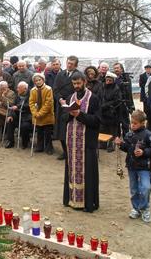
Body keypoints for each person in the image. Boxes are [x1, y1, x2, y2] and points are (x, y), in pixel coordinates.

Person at [62, 73, 101, 213]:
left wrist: (79, 115)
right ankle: (71, 199)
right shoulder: (70, 97)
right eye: (74, 84)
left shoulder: (93, 98)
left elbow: (97, 121)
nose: (76, 86)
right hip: (72, 142)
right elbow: (64, 118)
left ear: (84, 82)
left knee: (88, 172)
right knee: (71, 171)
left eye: (78, 83)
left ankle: (88, 203)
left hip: (87, 142)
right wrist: (68, 111)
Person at [115, 110, 151, 223]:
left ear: (143, 123)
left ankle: (145, 208)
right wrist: (120, 144)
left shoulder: (149, 135)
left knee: (145, 188)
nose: (132, 125)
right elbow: (126, 148)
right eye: (131, 123)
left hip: (144, 166)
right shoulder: (129, 134)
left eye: (135, 123)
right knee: (134, 189)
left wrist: (144, 152)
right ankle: (136, 208)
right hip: (131, 166)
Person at [53, 56, 82, 160]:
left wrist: (71, 101)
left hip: (73, 105)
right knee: (61, 130)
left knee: (72, 130)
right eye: (68, 63)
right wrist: (60, 99)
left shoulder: (79, 75)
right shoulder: (60, 74)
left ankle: (73, 152)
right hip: (61, 105)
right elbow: (55, 89)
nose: (69, 65)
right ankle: (65, 152)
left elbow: (80, 90)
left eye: (72, 64)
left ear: (76, 65)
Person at [29, 73, 55, 155]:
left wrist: (40, 113)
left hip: (47, 114)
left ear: (43, 80)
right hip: (37, 114)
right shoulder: (33, 90)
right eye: (36, 80)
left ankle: (49, 147)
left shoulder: (48, 89)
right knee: (39, 131)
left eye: (39, 80)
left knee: (48, 132)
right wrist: (34, 112)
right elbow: (31, 102)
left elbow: (48, 103)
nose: (38, 82)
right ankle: (40, 146)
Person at [4, 82, 32, 149]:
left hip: (27, 116)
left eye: (19, 88)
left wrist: (18, 106)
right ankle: (10, 141)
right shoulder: (18, 95)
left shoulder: (31, 94)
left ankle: (25, 142)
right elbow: (13, 105)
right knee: (10, 120)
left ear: (25, 89)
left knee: (24, 126)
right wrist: (10, 115)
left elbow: (29, 105)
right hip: (18, 115)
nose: (17, 89)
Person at [99, 72, 122, 151]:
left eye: (110, 80)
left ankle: (111, 145)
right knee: (103, 128)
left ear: (113, 81)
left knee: (112, 130)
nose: (108, 82)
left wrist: (106, 105)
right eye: (107, 80)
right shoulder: (102, 87)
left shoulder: (116, 88)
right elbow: (99, 96)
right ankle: (103, 144)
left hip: (112, 112)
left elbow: (117, 100)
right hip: (102, 112)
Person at [113, 63, 135, 136]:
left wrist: (131, 105)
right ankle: (117, 139)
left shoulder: (126, 78)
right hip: (115, 104)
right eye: (115, 68)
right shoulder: (112, 78)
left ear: (121, 69)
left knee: (125, 123)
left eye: (117, 68)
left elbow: (129, 92)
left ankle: (126, 139)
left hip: (124, 103)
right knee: (116, 123)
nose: (116, 69)